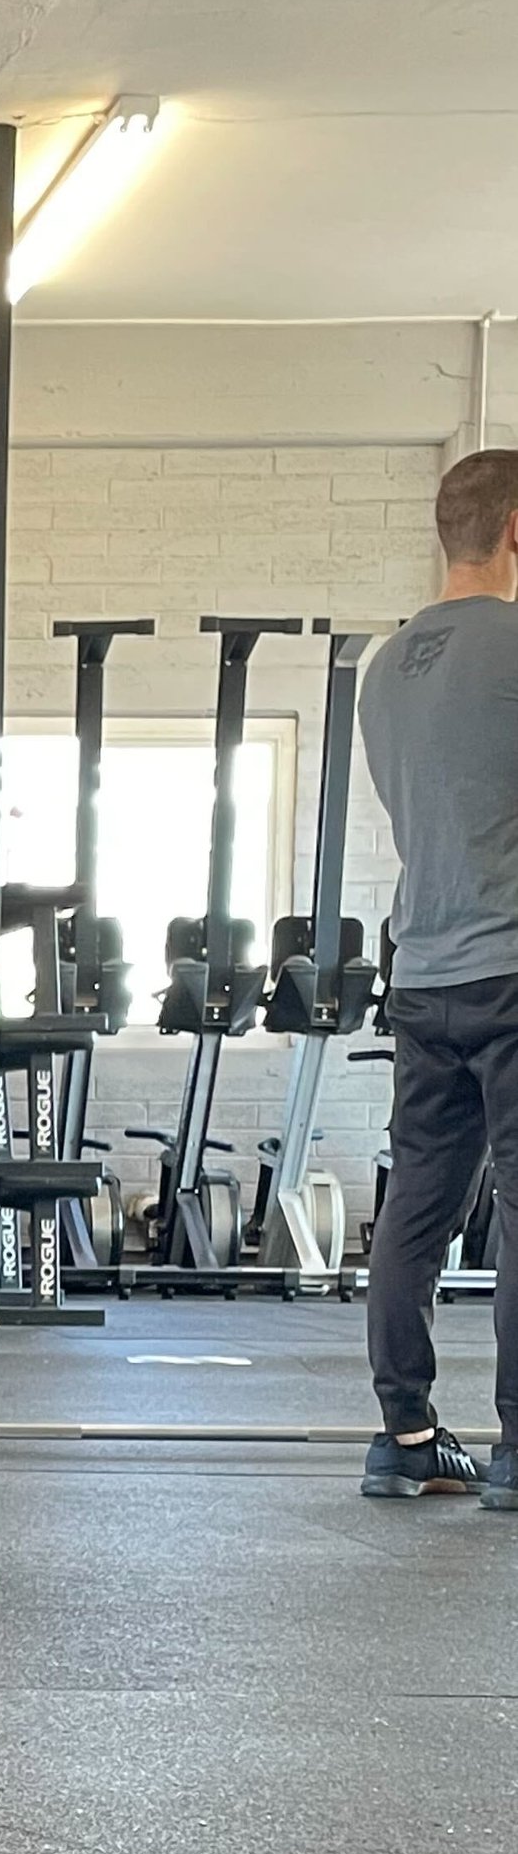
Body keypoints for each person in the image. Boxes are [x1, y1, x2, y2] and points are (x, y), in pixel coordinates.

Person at [357, 446, 518, 1504]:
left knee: (417, 1201)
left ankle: (404, 1438)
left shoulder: (384, 666)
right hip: (510, 963)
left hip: (422, 970)